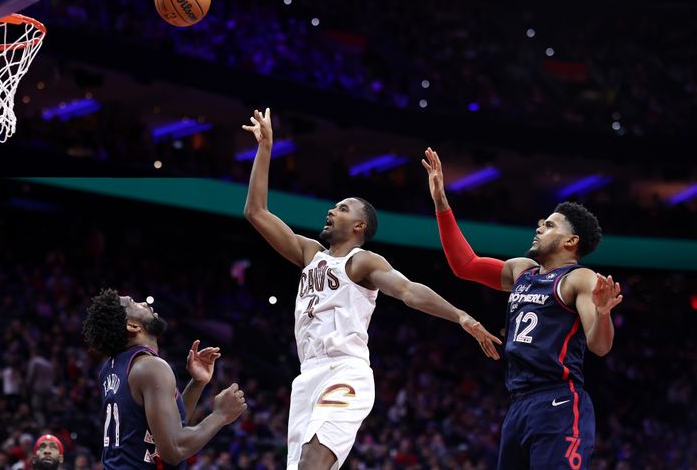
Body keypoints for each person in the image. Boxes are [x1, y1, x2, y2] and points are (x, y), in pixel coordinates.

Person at [242, 108, 502, 470]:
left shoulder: (362, 262)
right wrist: (266, 148)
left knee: (314, 460)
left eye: (342, 208)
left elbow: (409, 291)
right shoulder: (310, 254)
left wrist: (459, 315)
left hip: (344, 372)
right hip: (307, 376)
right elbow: (256, 212)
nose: (332, 211)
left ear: (359, 225)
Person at [421, 147, 623, 470]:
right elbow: (465, 264)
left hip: (558, 400)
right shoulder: (522, 271)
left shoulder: (578, 279)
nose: (539, 228)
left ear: (571, 242)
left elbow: (600, 346)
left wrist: (601, 313)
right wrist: (441, 203)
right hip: (518, 405)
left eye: (550, 226)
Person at [82, 289, 247, 469]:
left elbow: (166, 426)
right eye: (133, 303)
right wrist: (220, 415)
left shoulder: (110, 369)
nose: (144, 304)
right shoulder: (151, 367)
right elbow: (173, 450)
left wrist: (197, 383)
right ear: (132, 326)